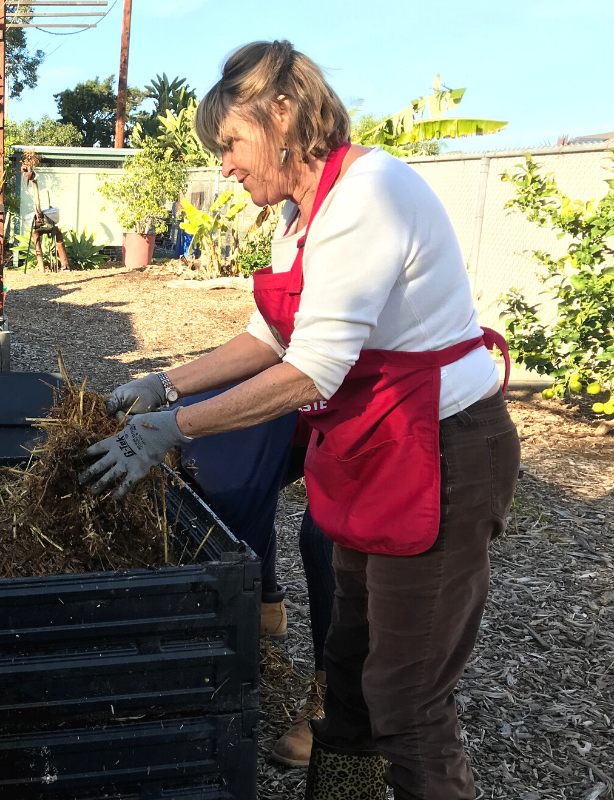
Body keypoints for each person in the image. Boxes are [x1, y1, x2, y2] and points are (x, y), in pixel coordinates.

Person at [82, 40, 519, 800]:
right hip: (376, 449)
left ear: (281, 113)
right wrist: (163, 383)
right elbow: (271, 337)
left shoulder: (368, 195)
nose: (223, 165)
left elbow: (313, 368)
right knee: (350, 673)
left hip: (441, 456)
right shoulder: (299, 217)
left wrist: (176, 429)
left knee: (407, 704)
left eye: (229, 143)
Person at [175, 390, 334, 766]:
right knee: (215, 466)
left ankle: (338, 698)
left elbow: (311, 361)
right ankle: (264, 602)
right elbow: (269, 340)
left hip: (388, 401)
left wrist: (181, 420)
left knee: (324, 535)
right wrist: (167, 390)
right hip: (309, 398)